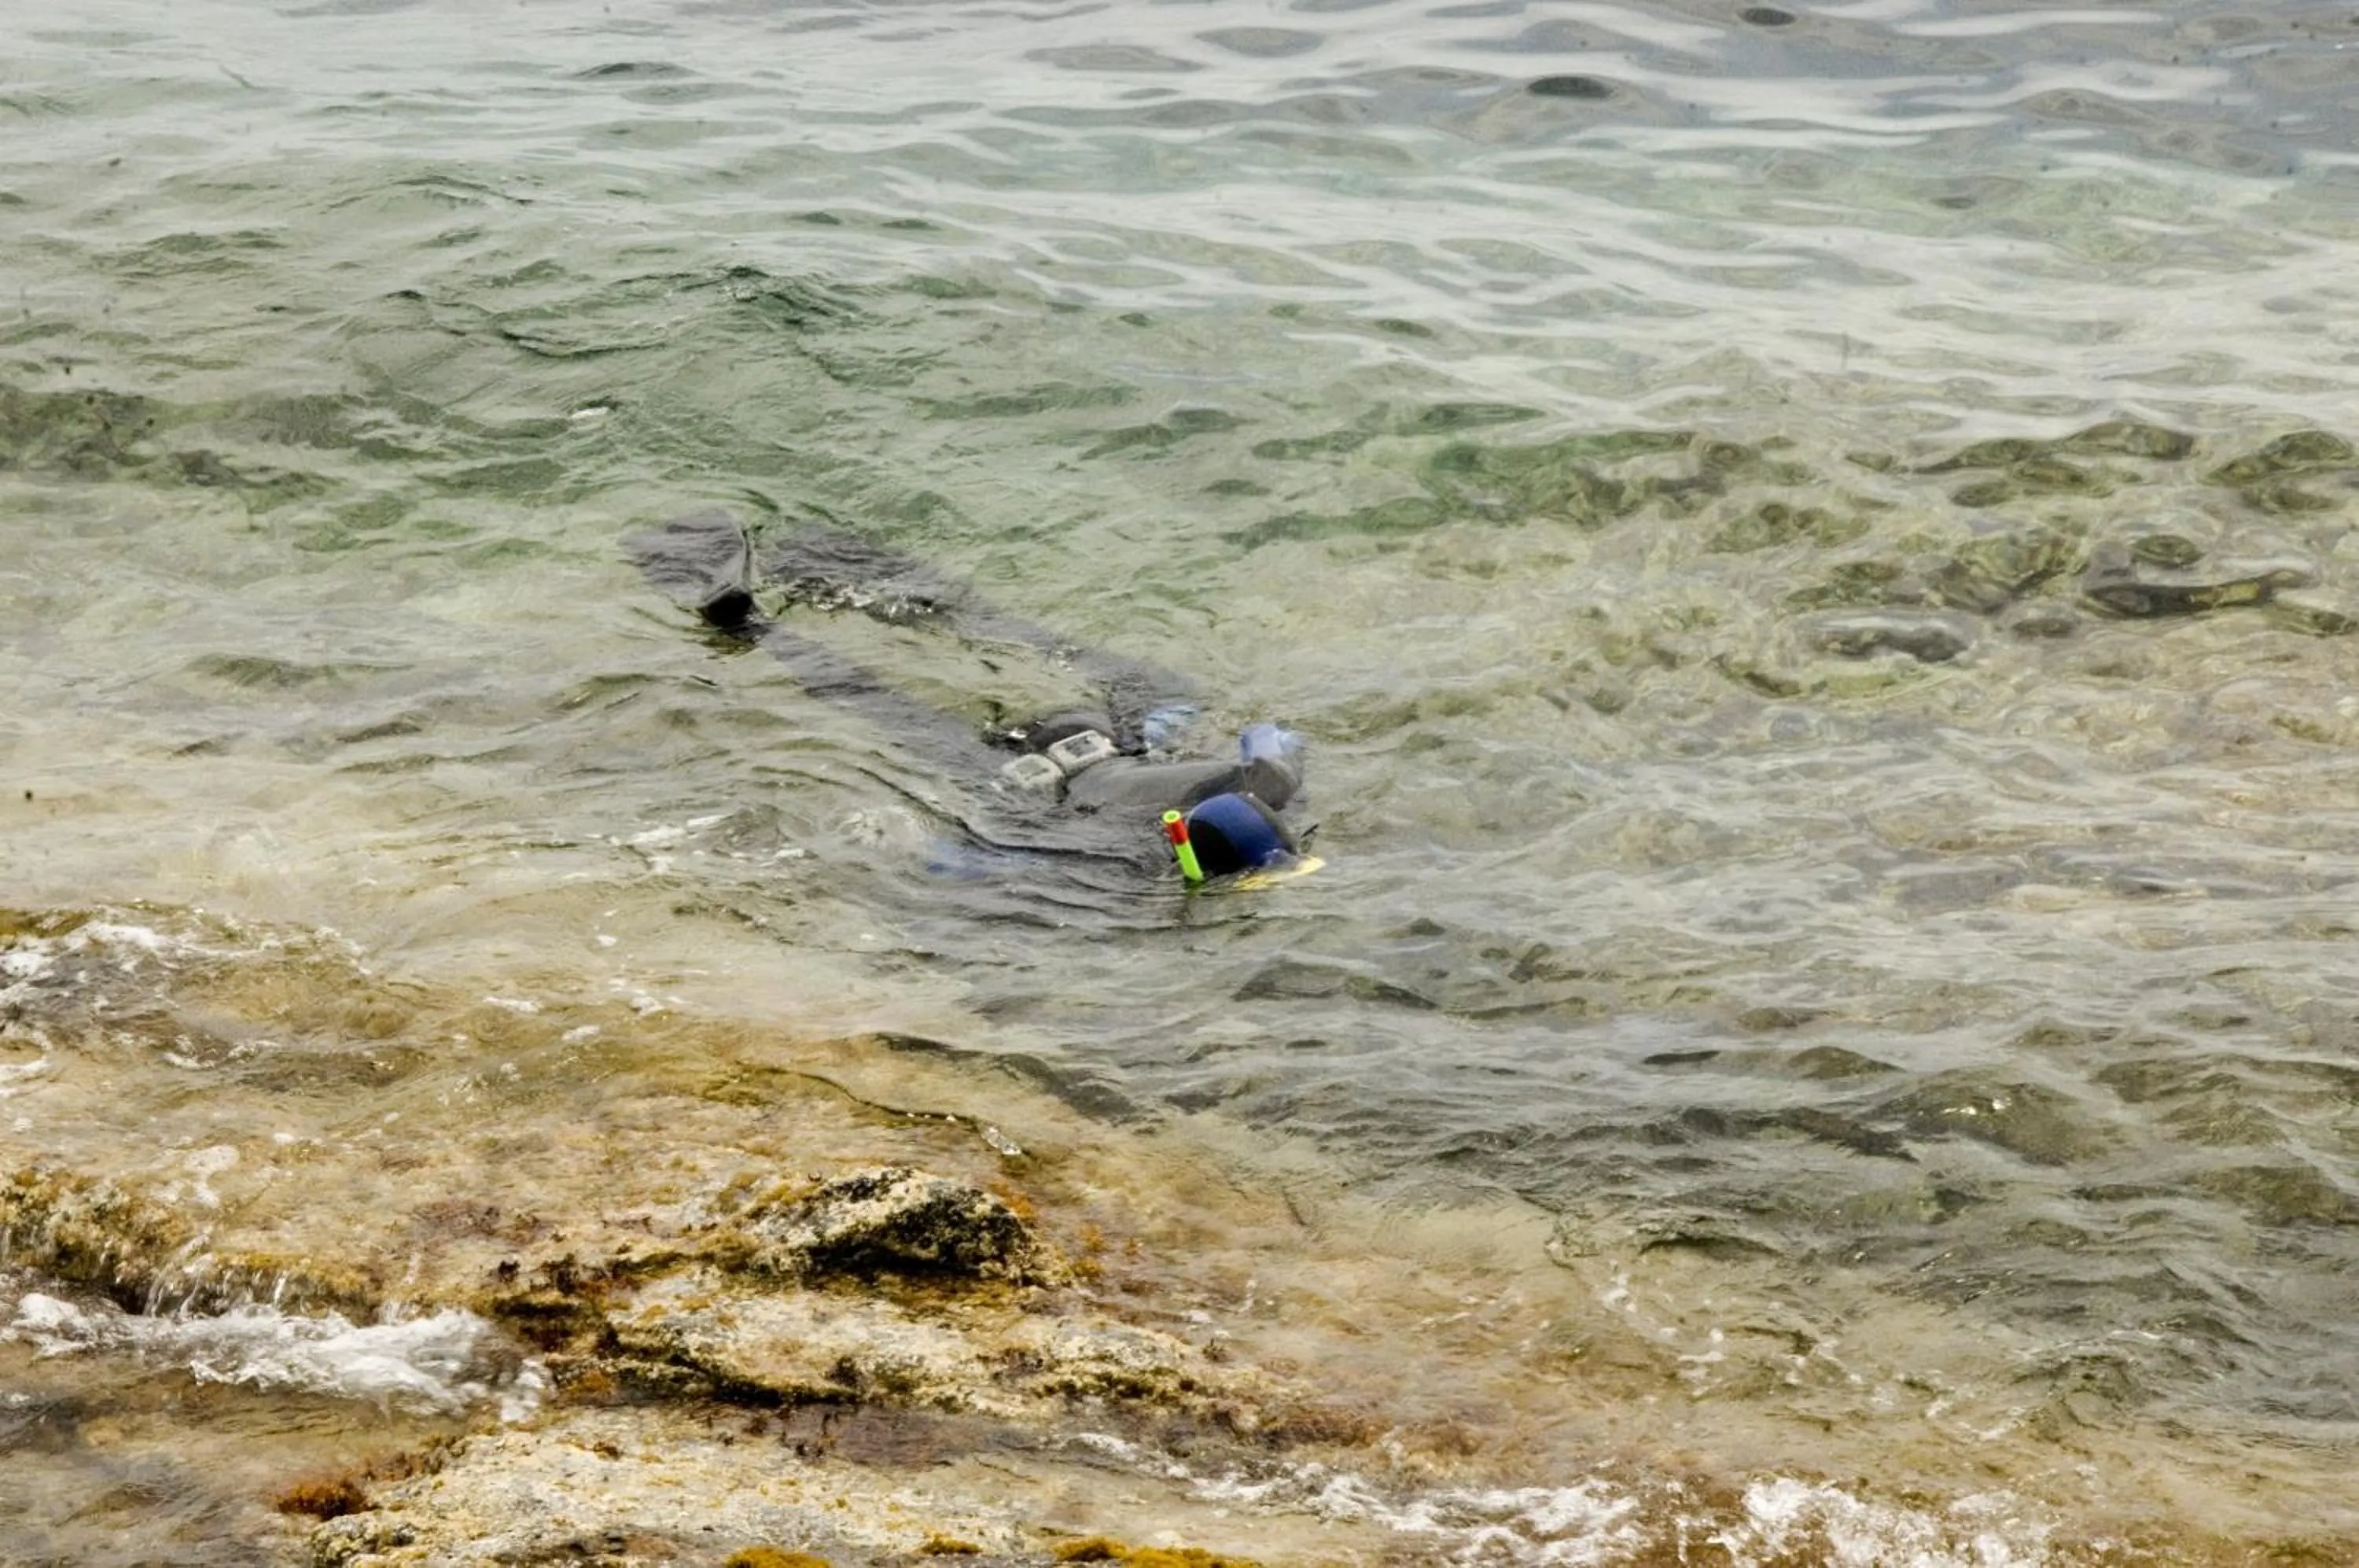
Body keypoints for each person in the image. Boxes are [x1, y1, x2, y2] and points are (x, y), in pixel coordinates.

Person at [625, 511, 1308, 882]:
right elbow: (961, 864)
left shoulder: (1267, 778)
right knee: (867, 700)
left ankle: (822, 564)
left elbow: (1273, 733)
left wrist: (1172, 733)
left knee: (1005, 637)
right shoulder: (1125, 857)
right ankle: (749, 626)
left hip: (1102, 729)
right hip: (1023, 779)